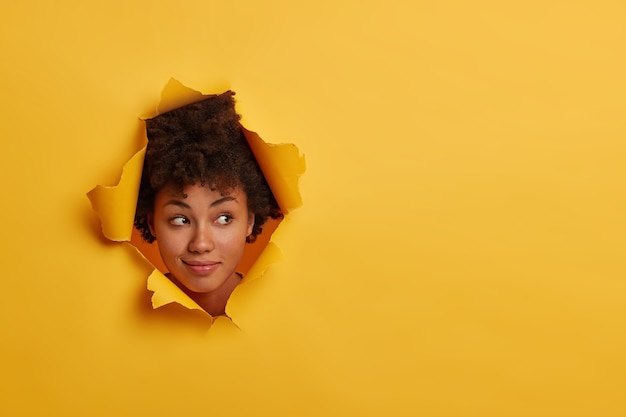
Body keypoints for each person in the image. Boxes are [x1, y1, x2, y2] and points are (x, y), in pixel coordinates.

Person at [134, 91, 282, 316]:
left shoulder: (280, 316)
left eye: (224, 218)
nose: (201, 244)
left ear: (250, 221)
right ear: (152, 223)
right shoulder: (119, 321)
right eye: (180, 220)